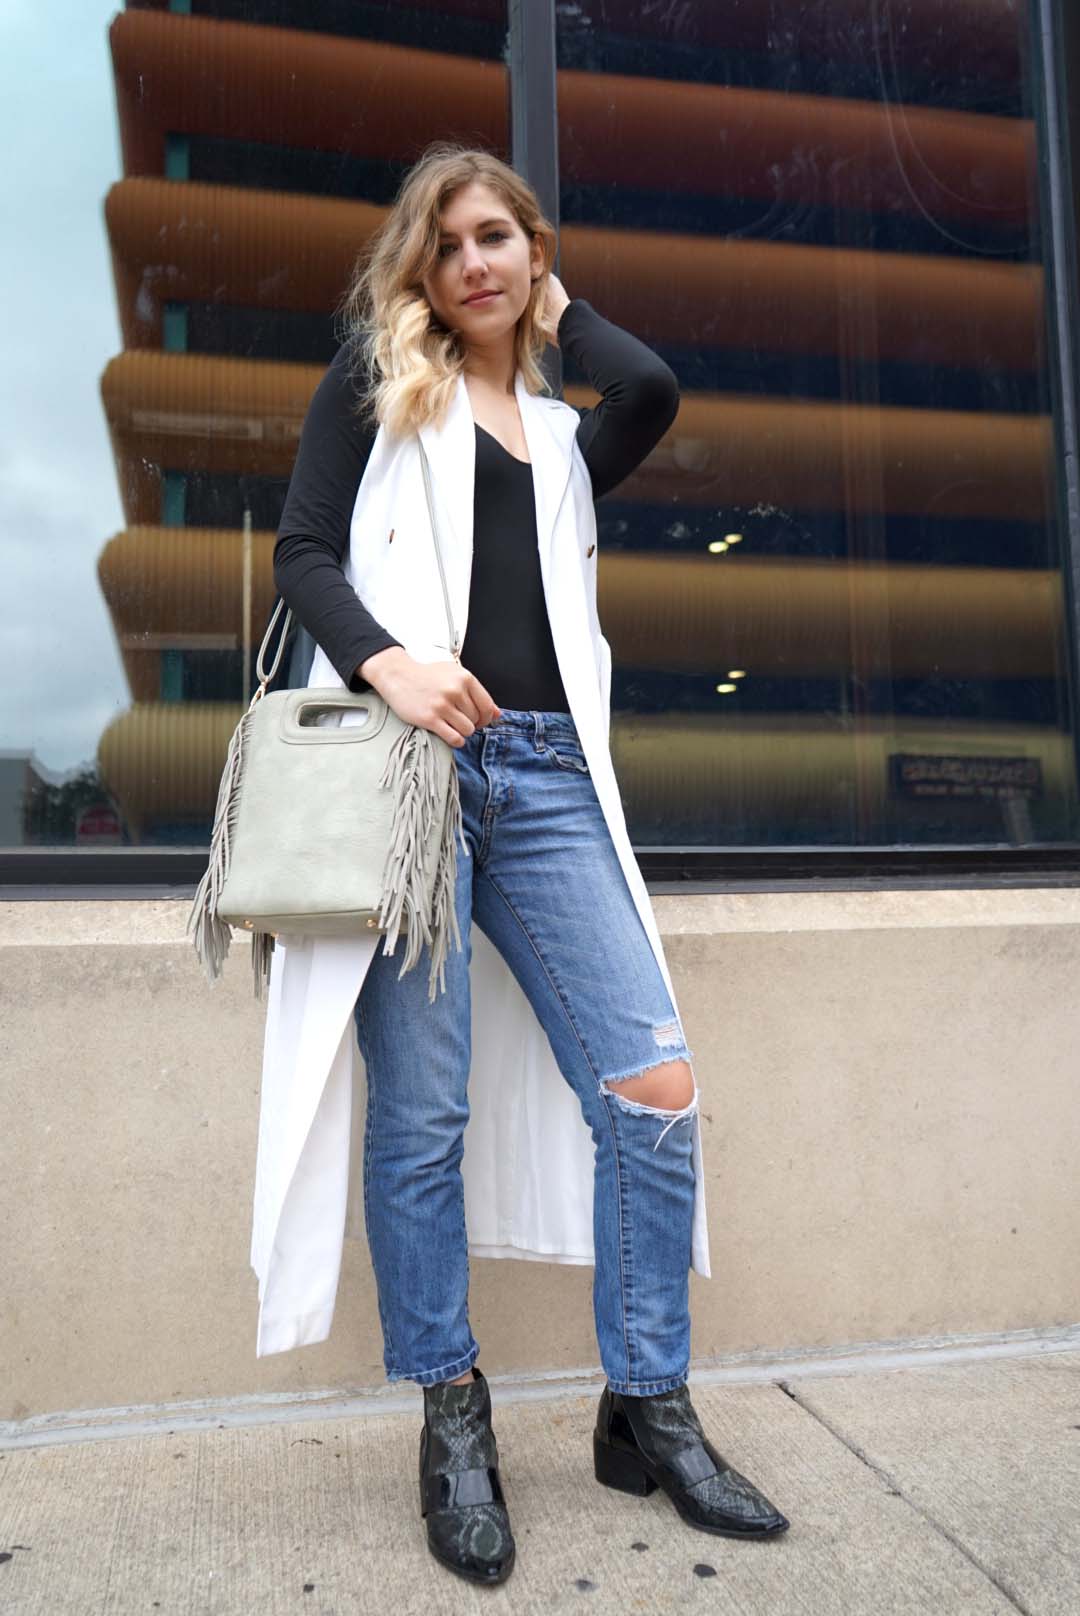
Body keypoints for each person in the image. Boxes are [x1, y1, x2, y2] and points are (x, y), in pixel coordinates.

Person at [268, 142, 790, 1586]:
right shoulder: (379, 385)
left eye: (497, 237)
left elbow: (654, 389)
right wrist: (390, 663)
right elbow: (303, 553)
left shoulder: (565, 436)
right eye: (447, 246)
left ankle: (647, 1408)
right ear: (418, 270)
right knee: (422, 1115)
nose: (473, 264)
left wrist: (559, 312)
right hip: (413, 777)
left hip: (551, 776)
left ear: (534, 252)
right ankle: (453, 1415)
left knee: (653, 1085)